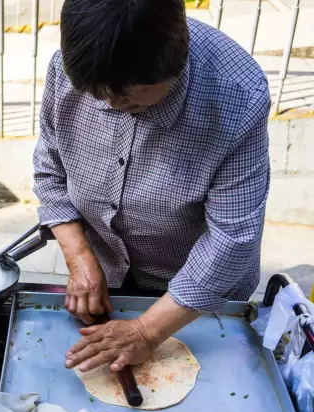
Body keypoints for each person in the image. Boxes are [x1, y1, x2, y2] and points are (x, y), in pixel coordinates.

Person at [32, 0, 270, 374]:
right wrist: (79, 257)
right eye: (99, 94)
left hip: (196, 293)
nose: (111, 103)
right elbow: (50, 171)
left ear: (175, 63)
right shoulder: (71, 68)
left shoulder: (236, 96)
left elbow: (232, 236)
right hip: (108, 274)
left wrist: (146, 330)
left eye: (129, 94)